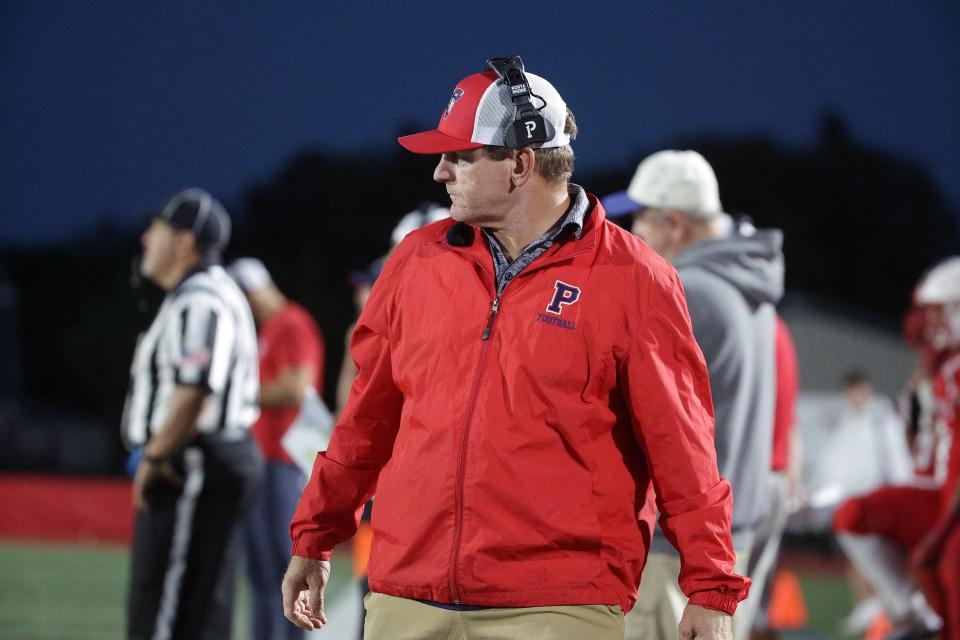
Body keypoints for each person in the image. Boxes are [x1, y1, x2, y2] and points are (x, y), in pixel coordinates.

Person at [281, 56, 749, 640]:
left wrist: (712, 586)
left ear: (521, 164)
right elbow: (366, 420)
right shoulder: (415, 260)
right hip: (409, 594)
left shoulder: (634, 278)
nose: (440, 173)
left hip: (554, 605)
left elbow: (682, 447)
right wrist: (316, 536)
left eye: (460, 155)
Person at [603, 150, 784, 640]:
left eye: (642, 216)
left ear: (674, 223)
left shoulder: (690, 290)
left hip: (675, 550)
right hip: (725, 543)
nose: (635, 230)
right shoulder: (747, 287)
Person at [121, 188, 263, 640]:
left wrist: (156, 454)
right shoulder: (204, 293)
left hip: (192, 461)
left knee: (166, 608)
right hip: (203, 459)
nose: (145, 239)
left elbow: (195, 390)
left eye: (156, 229)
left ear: (185, 240)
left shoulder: (201, 299)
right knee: (200, 606)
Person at [833, 257, 960, 640]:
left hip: (953, 502)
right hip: (936, 493)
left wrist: (937, 536)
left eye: (938, 312)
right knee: (853, 515)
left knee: (950, 582)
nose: (927, 323)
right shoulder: (937, 367)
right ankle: (908, 609)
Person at [228, 257, 324, 640]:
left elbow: (296, 388)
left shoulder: (292, 323)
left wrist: (239, 393)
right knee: (262, 573)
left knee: (283, 571)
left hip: (282, 460)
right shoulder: (272, 326)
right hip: (265, 458)